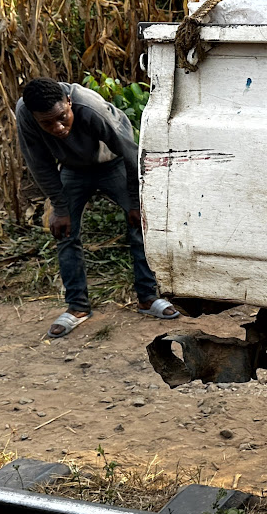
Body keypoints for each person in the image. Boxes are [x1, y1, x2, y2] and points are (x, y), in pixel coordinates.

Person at [16, 77, 178, 338]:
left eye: (62, 117)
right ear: (35, 117)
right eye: (47, 123)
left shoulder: (90, 107)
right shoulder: (25, 113)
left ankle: (148, 297)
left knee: (140, 224)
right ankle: (77, 307)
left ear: (69, 103)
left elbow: (129, 153)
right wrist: (60, 207)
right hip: (72, 169)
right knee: (65, 231)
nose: (57, 127)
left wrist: (136, 202)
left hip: (113, 163)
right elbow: (39, 163)